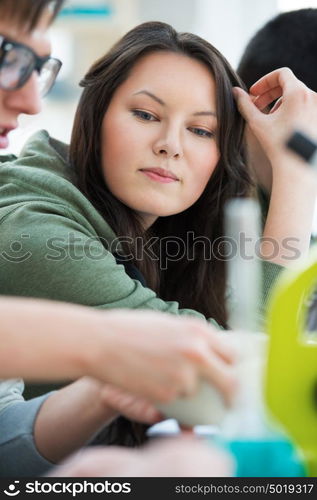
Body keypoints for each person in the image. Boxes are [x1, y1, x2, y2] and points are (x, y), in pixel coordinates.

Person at [1, 19, 317, 475]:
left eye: (202, 131)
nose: (170, 145)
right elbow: (246, 376)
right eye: (146, 115)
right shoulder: (34, 233)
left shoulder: (168, 231)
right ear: (94, 115)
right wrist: (297, 172)